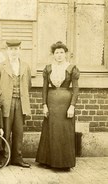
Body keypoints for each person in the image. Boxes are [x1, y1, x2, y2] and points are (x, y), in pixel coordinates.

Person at [36, 41, 80, 171]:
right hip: (51, 103)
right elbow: (44, 89)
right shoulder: (48, 68)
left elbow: (76, 89)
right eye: (57, 53)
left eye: (62, 52)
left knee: (64, 131)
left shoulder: (71, 68)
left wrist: (72, 106)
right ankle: (48, 160)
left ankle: (64, 162)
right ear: (53, 55)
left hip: (65, 104)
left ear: (65, 54)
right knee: (50, 130)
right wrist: (44, 105)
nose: (59, 55)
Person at [0, 40, 31, 168]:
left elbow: (28, 85)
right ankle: (4, 158)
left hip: (20, 102)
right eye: (11, 49)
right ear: (7, 51)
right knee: (6, 130)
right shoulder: (0, 66)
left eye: (16, 49)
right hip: (6, 103)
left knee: (18, 131)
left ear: (20, 50)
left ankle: (17, 157)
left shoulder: (25, 66)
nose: (14, 52)